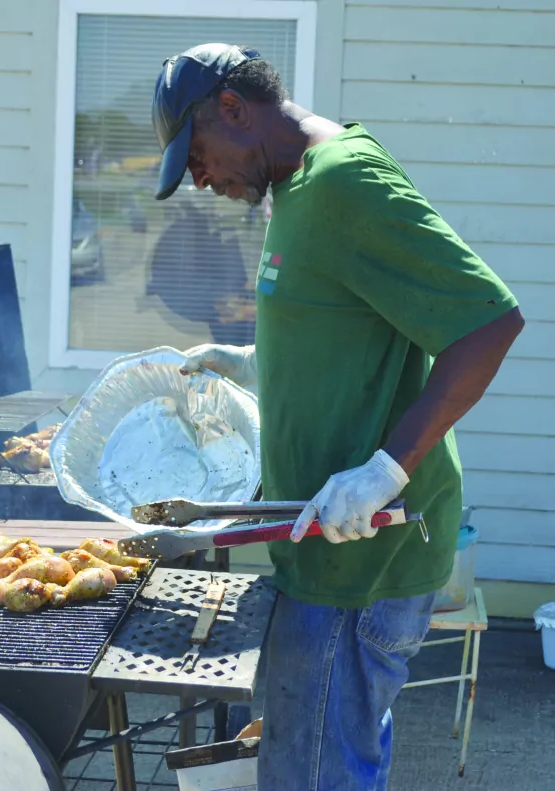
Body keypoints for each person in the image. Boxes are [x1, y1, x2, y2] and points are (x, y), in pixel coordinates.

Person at [150, 43, 524, 790]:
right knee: (339, 754)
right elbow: (345, 326)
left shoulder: (344, 180)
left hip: (360, 565)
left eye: (195, 155)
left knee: (316, 775)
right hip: (324, 552)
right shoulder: (293, 185)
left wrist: (386, 471)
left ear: (233, 108)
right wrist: (253, 362)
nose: (199, 178)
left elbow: (488, 324)